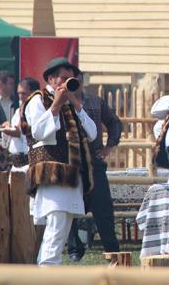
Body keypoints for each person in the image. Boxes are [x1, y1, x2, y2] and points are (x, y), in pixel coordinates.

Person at [20, 57, 96, 266]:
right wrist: (56, 104)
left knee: (60, 234)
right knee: (55, 231)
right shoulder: (38, 99)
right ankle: (47, 274)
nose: (67, 82)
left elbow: (93, 133)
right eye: (63, 78)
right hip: (51, 175)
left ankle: (48, 273)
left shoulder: (72, 105)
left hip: (71, 177)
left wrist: (75, 103)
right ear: (51, 79)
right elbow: (38, 132)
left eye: (71, 79)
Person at [66, 73, 122, 262]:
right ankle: (74, 248)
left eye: (76, 80)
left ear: (82, 81)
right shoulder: (60, 102)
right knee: (68, 207)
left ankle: (112, 250)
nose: (74, 84)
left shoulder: (95, 101)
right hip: (70, 162)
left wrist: (109, 147)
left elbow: (114, 123)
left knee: (103, 208)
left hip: (94, 161)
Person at [0, 77, 40, 171]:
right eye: (19, 93)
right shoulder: (18, 111)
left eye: (24, 93)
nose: (20, 96)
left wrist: (18, 133)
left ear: (33, 92)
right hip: (15, 165)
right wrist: (7, 128)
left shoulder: (36, 109)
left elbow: (34, 134)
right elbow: (9, 140)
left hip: (28, 163)